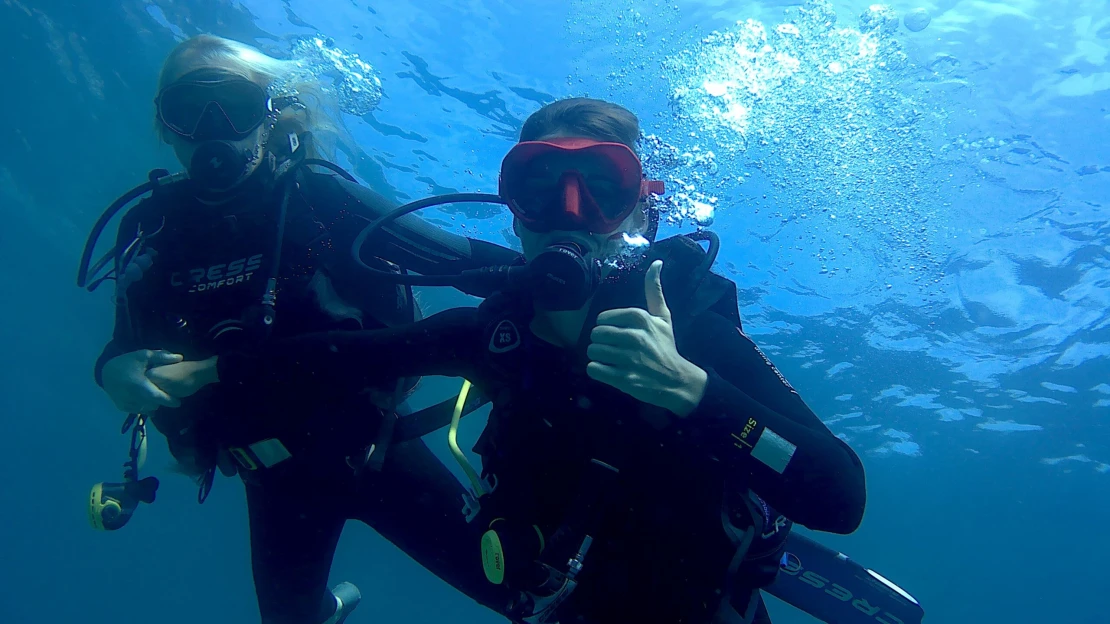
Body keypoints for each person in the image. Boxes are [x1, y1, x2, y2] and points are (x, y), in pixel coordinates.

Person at [151, 97, 872, 624]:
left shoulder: (692, 339)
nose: (567, 210)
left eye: (603, 188)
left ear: (642, 214)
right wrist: (212, 371)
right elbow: (348, 355)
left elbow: (840, 496)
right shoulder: (498, 335)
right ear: (512, 209)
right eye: (539, 185)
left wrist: (695, 393)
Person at [83, 35, 522, 624]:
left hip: (374, 451)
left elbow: (471, 265)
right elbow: (124, 343)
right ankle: (334, 607)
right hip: (271, 480)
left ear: (271, 116)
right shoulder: (150, 227)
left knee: (518, 591)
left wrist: (584, 273)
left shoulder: (319, 198)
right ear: (166, 128)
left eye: (234, 106)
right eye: (190, 111)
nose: (214, 130)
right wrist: (111, 370)